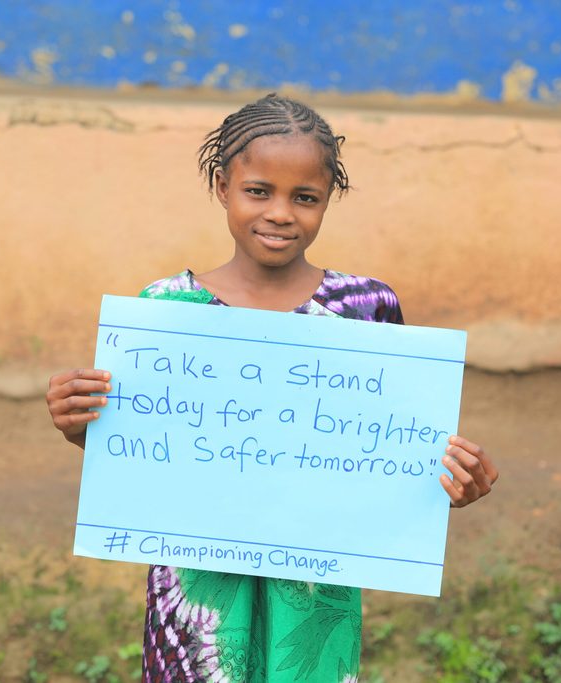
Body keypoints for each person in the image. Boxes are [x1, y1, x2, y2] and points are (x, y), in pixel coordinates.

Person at [46, 93, 499, 682]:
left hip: (314, 591)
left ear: (327, 201)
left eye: (304, 197)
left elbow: (390, 455)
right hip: (197, 591)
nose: (281, 212)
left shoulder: (363, 311)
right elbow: (146, 454)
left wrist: (451, 482)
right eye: (259, 190)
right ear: (221, 186)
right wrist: (80, 425)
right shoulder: (165, 312)